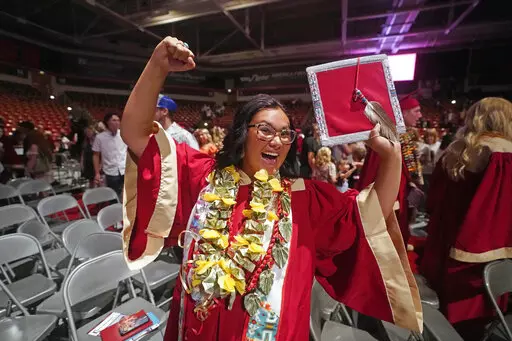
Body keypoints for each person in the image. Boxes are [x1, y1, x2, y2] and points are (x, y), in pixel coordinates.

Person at [120, 36, 421, 341]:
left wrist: (392, 156)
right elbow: (134, 133)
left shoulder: (304, 198)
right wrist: (158, 67)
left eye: (285, 134)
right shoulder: (203, 177)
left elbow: (370, 214)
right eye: (265, 129)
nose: (276, 141)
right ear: (242, 133)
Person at [420, 97, 512, 341]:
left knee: (445, 319)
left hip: (446, 241)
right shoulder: (504, 154)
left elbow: (433, 202)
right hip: (481, 252)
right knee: (478, 319)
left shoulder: (456, 151)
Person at [356, 96, 423, 244]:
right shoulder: (387, 136)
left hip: (402, 193)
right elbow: (373, 172)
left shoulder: (404, 135)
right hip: (391, 198)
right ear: (404, 112)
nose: (420, 115)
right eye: (416, 111)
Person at [93, 113, 127, 197]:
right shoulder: (100, 137)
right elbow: (96, 155)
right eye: (114, 120)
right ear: (107, 122)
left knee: (128, 194)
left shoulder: (124, 134)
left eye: (118, 120)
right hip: (111, 171)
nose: (117, 122)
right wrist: (97, 172)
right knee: (113, 195)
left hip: (125, 169)